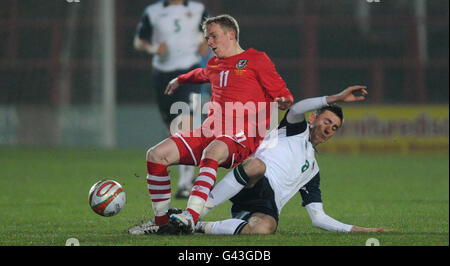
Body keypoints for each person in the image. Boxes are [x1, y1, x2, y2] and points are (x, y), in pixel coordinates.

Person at [129, 14, 294, 235]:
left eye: (214, 37)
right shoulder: (215, 63)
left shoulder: (257, 59)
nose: (210, 43)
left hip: (242, 138)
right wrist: (180, 79)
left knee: (212, 150)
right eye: (207, 38)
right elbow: (202, 74)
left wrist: (284, 102)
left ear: (231, 34)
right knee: (156, 155)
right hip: (210, 132)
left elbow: (284, 96)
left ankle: (190, 217)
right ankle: (161, 224)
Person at [193, 85, 393, 235]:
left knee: (265, 228)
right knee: (256, 165)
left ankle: (200, 227)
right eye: (327, 121)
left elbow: (318, 218)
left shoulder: (313, 171)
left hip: (266, 205)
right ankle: (195, 214)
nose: (328, 129)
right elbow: (297, 108)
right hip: (253, 181)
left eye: (334, 128)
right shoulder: (295, 129)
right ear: (313, 118)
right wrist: (336, 98)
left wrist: (358, 230)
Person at [134, 0, 209, 199]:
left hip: (190, 70)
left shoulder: (197, 9)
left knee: (185, 122)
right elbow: (139, 41)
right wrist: (153, 49)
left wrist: (204, 42)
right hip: (162, 74)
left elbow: (212, 30)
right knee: (172, 127)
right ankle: (187, 173)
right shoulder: (153, 12)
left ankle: (185, 182)